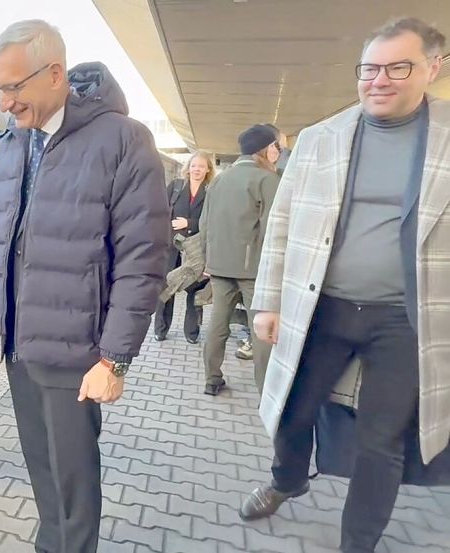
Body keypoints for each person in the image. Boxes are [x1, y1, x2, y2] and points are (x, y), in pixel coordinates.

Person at [0, 20, 170, 552]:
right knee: (43, 473)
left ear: (55, 74)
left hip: (77, 355)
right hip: (20, 344)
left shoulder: (124, 141)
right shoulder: (15, 144)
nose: (3, 103)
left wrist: (115, 360)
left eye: (13, 88)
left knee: (73, 484)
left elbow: (142, 259)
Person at [240, 18, 450, 553]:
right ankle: (288, 478)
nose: (379, 80)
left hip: (405, 318)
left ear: (434, 67)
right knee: (292, 407)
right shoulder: (319, 138)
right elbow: (282, 224)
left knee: (381, 443)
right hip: (322, 308)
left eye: (397, 67)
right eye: (370, 68)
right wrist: (267, 301)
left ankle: (357, 543)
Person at [198, 124, 280, 395]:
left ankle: (212, 379)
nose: (278, 151)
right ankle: (265, 392)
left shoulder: (220, 178)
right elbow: (274, 229)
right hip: (254, 271)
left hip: (219, 267)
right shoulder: (268, 180)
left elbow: (204, 223)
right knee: (262, 332)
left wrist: (208, 261)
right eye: (276, 146)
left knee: (217, 326)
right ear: (266, 149)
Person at [154, 151, 214, 344]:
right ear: (188, 168)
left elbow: (213, 220)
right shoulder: (176, 187)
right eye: (194, 165)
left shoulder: (211, 191)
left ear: (208, 170)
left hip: (196, 248)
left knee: (193, 290)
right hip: (172, 246)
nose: (197, 169)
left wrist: (188, 223)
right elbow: (159, 211)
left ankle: (192, 332)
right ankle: (160, 329)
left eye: (201, 166)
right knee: (167, 286)